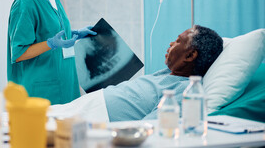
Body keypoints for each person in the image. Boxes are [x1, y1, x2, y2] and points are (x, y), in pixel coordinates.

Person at [49, 25, 223, 121]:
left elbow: (149, 129)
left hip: (96, 118)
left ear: (191, 55)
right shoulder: (166, 74)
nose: (171, 43)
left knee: (33, 124)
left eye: (178, 41)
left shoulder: (184, 91)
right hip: (89, 105)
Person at [7, 0, 96, 105]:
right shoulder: (26, 1)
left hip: (66, 87)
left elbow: (53, 33)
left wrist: (74, 35)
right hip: (41, 92)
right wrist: (51, 44)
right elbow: (18, 53)